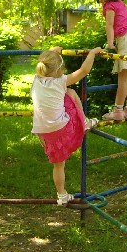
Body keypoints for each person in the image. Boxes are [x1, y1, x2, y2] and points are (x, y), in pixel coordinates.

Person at [31, 46, 102, 206]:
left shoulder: (36, 79)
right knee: (71, 93)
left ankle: (61, 195)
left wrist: (53, 52)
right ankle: (85, 122)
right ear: (58, 70)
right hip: (61, 129)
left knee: (58, 165)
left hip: (43, 133)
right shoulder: (60, 82)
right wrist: (92, 53)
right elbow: (84, 71)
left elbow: (47, 61)